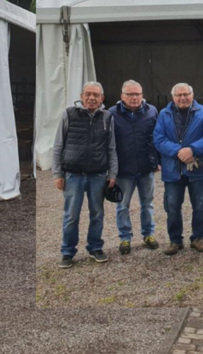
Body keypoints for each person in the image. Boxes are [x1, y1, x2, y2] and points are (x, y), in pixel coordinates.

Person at [52, 82, 118, 269]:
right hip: (73, 175)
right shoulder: (69, 114)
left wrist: (112, 173)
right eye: (88, 94)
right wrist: (57, 173)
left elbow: (112, 148)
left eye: (96, 95)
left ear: (102, 99)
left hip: (98, 175)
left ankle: (95, 248)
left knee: (97, 213)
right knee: (71, 215)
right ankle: (67, 252)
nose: (91, 98)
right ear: (81, 96)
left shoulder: (107, 117)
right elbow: (58, 145)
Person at [153, 83, 203, 255]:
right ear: (173, 97)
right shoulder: (163, 114)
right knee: (172, 207)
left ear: (192, 94)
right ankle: (175, 240)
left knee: (200, 206)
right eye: (179, 95)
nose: (183, 98)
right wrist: (179, 151)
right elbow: (158, 139)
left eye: (186, 94)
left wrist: (193, 149)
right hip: (172, 169)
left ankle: (198, 238)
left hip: (197, 169)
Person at [109, 80, 160, 255]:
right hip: (123, 170)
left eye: (138, 94)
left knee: (148, 204)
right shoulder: (111, 114)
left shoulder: (152, 111)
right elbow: (108, 143)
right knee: (122, 205)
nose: (134, 97)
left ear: (142, 95)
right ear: (122, 96)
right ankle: (125, 237)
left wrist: (157, 160)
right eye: (130, 94)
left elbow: (157, 138)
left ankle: (148, 234)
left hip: (146, 167)